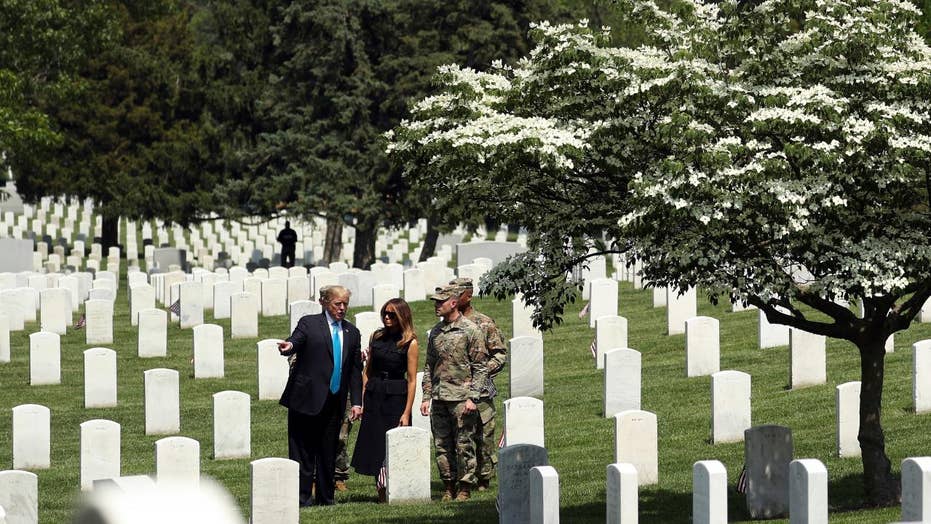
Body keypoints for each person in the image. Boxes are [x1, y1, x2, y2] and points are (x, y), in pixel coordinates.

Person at [277, 285, 363, 507]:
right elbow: (296, 340)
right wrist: (289, 346)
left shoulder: (352, 332)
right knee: (303, 451)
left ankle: (326, 498)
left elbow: (354, 370)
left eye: (345, 304)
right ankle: (302, 498)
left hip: (334, 401)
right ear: (325, 302)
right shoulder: (310, 323)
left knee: (328, 452)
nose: (342, 308)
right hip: (306, 398)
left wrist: (357, 402)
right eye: (337, 304)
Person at [420, 284, 488, 502]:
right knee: (442, 444)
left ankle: (465, 487)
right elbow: (430, 365)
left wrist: (473, 397)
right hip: (440, 398)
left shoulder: (470, 330)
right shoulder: (436, 333)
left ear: (453, 303)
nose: (436, 306)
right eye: (435, 302)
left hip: (462, 398)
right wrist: (426, 397)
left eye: (440, 302)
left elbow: (480, 367)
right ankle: (448, 486)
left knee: (463, 444)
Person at [350, 298, 419, 502]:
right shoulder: (376, 336)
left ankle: (392, 486)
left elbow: (413, 380)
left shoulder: (410, 342)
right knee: (375, 441)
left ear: (402, 316)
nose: (387, 318)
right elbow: (368, 370)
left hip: (396, 395)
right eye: (385, 314)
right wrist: (362, 399)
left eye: (392, 315)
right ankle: (380, 488)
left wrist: (406, 412)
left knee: (392, 442)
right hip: (375, 393)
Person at [449, 277, 506, 492]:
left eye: (458, 294)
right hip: (454, 391)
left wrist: (479, 374)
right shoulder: (448, 324)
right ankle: (462, 479)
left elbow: (499, 355)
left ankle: (484, 478)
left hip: (481, 392)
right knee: (460, 437)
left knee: (484, 437)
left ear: (468, 296)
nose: (453, 298)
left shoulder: (483, 322)